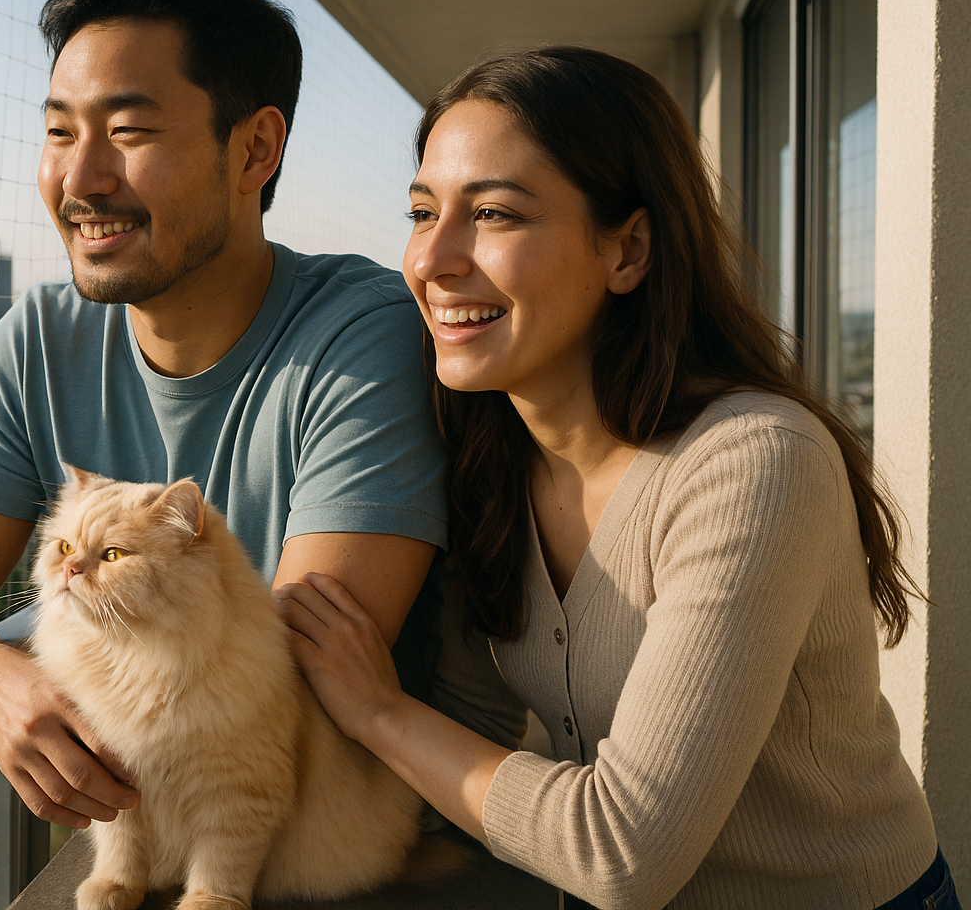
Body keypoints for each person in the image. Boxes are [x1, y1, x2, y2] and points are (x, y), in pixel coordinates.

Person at [276, 47, 958, 910]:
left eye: (494, 214)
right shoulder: (487, 456)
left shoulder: (753, 462)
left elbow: (620, 853)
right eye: (421, 212)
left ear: (629, 248)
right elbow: (477, 724)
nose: (432, 260)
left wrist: (376, 710)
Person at [0, 0, 458, 832]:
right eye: (61, 133)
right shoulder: (38, 339)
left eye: (130, 133)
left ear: (255, 148)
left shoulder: (359, 338)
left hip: (330, 855)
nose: (80, 180)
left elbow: (291, 692)